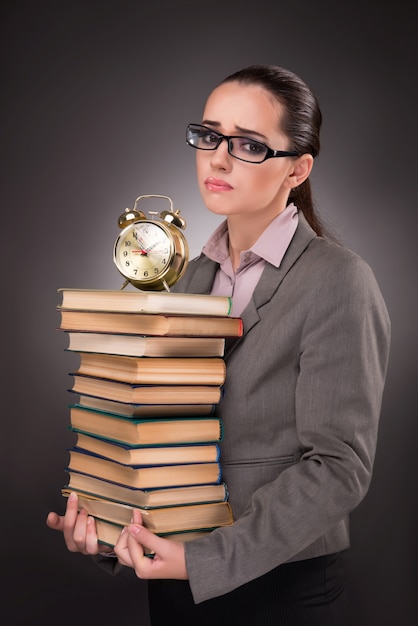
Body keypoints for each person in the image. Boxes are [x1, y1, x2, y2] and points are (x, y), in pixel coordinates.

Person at [47, 64, 391, 625]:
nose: (219, 157)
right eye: (209, 135)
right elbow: (149, 430)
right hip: (175, 589)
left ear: (298, 169)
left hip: (281, 593)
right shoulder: (179, 278)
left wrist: (206, 558)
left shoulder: (338, 280)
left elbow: (338, 466)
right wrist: (109, 530)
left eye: (250, 144)